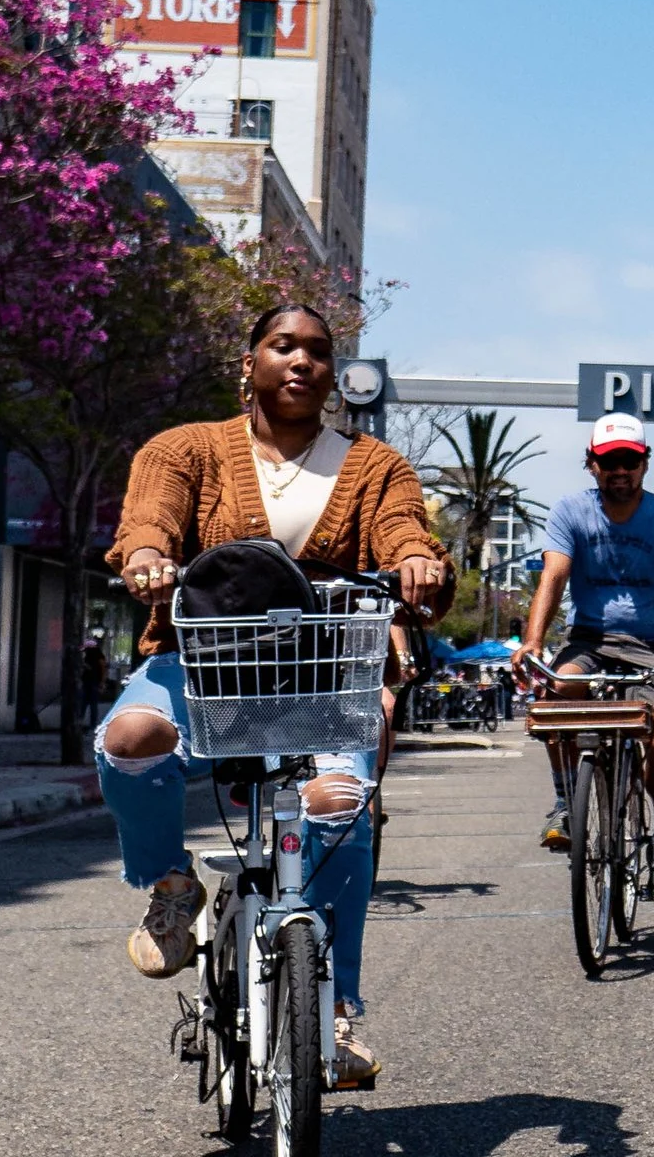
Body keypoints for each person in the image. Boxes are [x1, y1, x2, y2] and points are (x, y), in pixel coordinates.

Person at [98, 303, 452, 1087]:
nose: (302, 361)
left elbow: (402, 530)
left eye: (319, 352)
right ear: (250, 362)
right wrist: (151, 554)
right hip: (206, 667)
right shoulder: (185, 449)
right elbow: (147, 521)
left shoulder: (375, 464)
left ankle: (336, 1010)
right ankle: (171, 884)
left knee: (341, 799)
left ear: (334, 374)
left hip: (325, 675)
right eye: (282, 346)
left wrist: (419, 562)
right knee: (130, 741)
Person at [516, 412, 654, 899]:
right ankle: (564, 804)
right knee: (558, 693)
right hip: (591, 642)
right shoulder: (570, 512)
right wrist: (533, 641)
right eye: (608, 461)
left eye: (629, 461)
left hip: (653, 648)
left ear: (644, 464)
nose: (620, 471)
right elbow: (553, 576)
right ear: (591, 464)